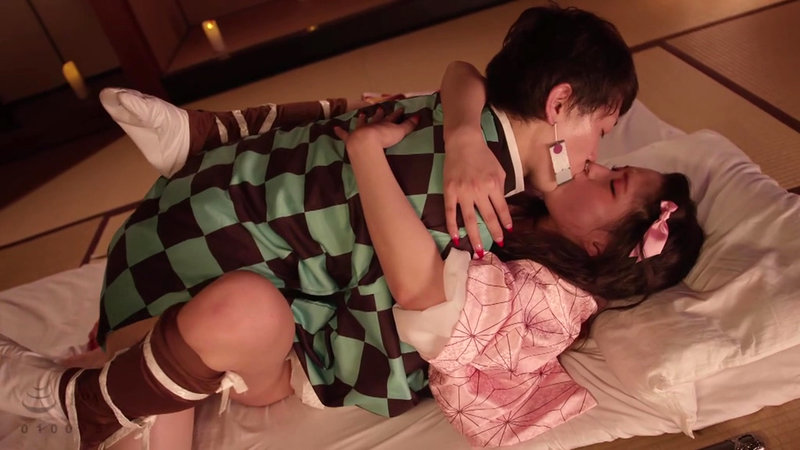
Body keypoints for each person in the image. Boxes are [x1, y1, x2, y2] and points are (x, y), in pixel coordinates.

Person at [0, 5, 703, 449]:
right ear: (558, 104)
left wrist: (444, 133)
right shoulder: (477, 183)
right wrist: (440, 139)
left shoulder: (488, 161)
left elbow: (462, 76)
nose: (596, 157)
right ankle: (87, 391)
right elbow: (409, 295)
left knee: (349, 127)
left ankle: (203, 143)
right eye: (602, 135)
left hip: (193, 252)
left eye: (610, 169)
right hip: (192, 260)